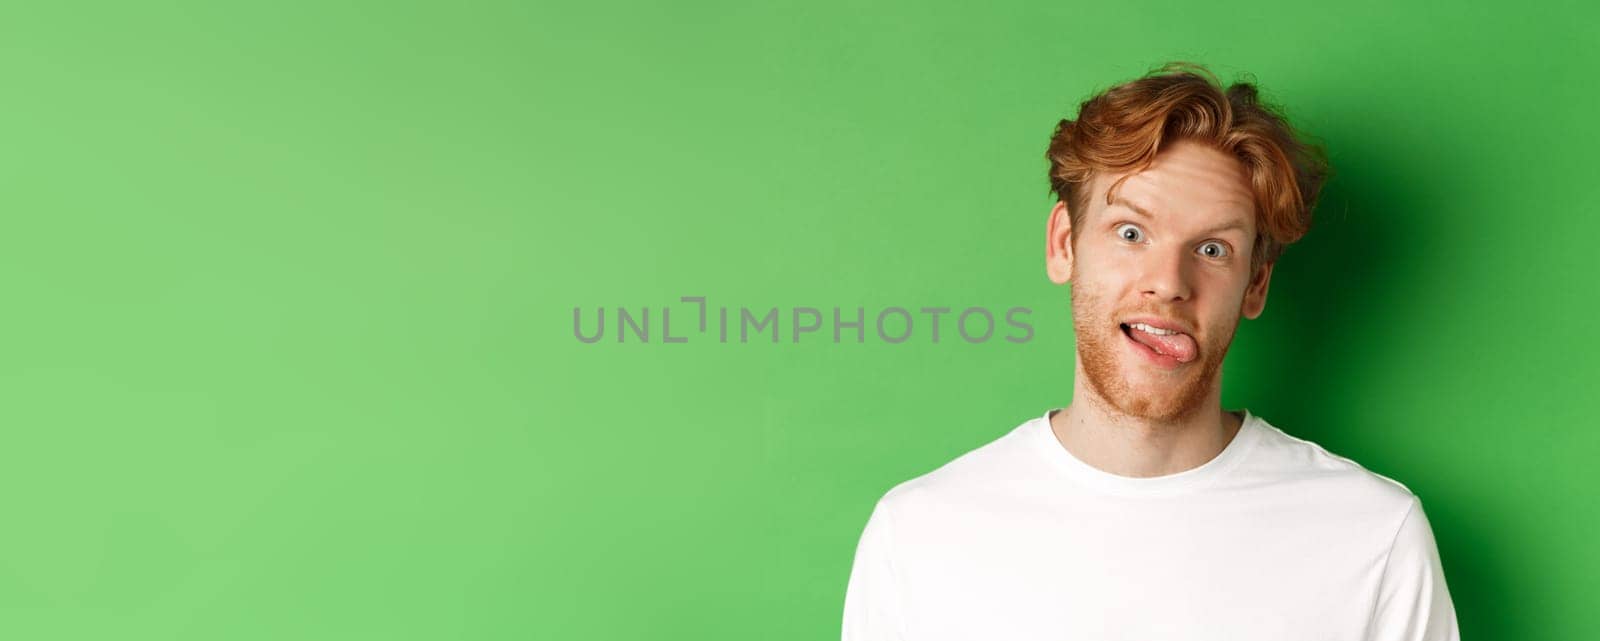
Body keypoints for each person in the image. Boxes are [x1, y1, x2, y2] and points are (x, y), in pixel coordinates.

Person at [840, 62, 1460, 640]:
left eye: (1213, 249)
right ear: (1065, 244)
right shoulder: (920, 535)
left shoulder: (1373, 536)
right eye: (1131, 233)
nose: (1168, 281)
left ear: (1256, 285)